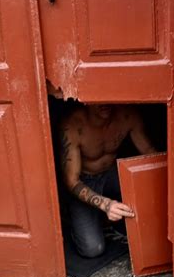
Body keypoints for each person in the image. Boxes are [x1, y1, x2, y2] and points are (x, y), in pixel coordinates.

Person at [60, 104, 156, 258]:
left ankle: (109, 219)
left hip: (112, 173)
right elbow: (71, 181)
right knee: (92, 249)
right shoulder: (74, 126)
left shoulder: (127, 115)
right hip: (84, 181)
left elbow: (150, 154)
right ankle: (73, 218)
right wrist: (106, 205)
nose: (103, 104)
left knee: (146, 192)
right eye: (97, 101)